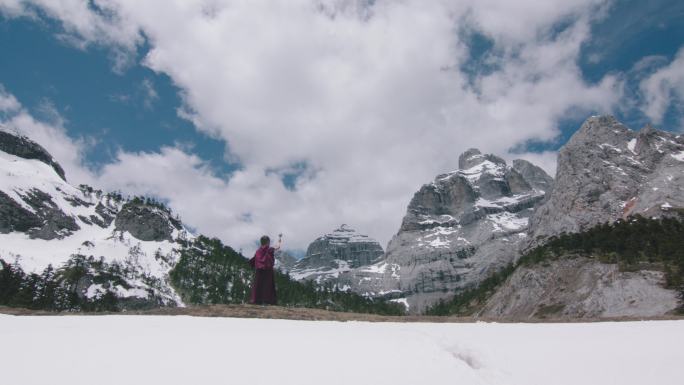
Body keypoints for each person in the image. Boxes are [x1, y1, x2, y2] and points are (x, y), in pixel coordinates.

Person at [249, 234, 281, 305]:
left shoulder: (258, 251)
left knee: (258, 285)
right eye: (269, 242)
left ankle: (256, 300)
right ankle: (267, 300)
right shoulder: (269, 249)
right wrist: (279, 240)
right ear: (267, 242)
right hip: (267, 270)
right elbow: (278, 247)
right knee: (267, 286)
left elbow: (254, 259)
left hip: (259, 270)